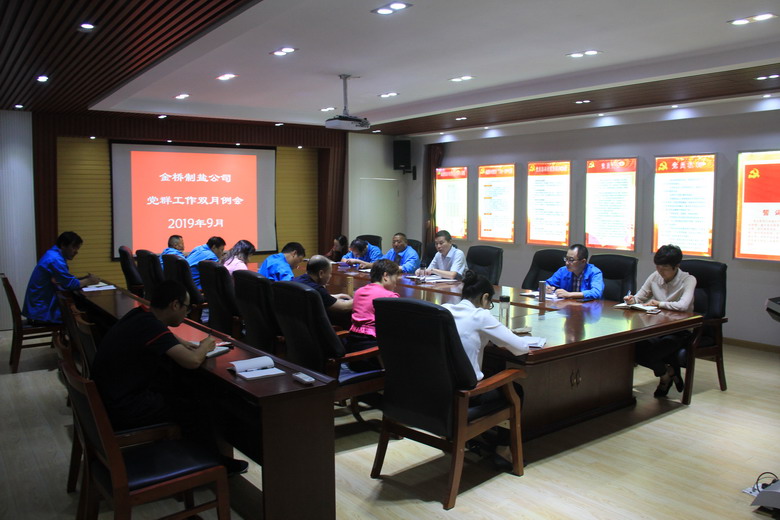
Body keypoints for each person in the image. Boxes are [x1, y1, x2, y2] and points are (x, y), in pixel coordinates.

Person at [91, 279, 247, 474]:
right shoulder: (150, 327)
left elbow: (161, 333)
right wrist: (205, 345)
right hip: (125, 408)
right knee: (196, 406)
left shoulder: (140, 315)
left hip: (108, 400)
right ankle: (215, 465)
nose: (187, 313)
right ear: (175, 305)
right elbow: (192, 361)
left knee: (181, 389)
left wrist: (180, 342)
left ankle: (198, 456)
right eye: (186, 308)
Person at [443, 270, 539, 469]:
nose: (489, 307)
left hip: (440, 391)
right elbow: (520, 348)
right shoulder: (481, 316)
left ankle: (475, 437)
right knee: (515, 389)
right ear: (485, 297)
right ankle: (503, 450)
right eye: (490, 303)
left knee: (490, 374)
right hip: (466, 396)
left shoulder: (444, 310)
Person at [625, 244, 696, 397]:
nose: (660, 271)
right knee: (632, 349)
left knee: (650, 354)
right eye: (658, 267)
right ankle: (667, 373)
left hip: (679, 331)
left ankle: (666, 376)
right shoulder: (655, 276)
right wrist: (631, 300)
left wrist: (659, 303)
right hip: (657, 328)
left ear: (676, 266)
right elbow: (640, 297)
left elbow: (683, 306)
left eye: (665, 268)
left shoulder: (688, 280)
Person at [22, 231, 99, 324]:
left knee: (81, 309)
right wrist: (89, 280)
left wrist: (83, 279)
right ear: (63, 245)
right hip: (41, 312)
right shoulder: (55, 260)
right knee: (89, 315)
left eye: (77, 248)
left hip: (37, 308)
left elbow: (65, 280)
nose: (76, 252)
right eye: (74, 247)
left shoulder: (52, 254)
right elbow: (70, 284)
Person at [346, 259, 401, 354]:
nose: (395, 284)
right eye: (395, 279)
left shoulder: (359, 291)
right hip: (374, 350)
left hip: (353, 346)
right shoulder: (390, 297)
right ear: (386, 276)